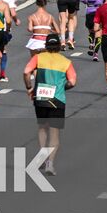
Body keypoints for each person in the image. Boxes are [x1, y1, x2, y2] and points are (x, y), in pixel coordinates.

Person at [22, 33, 76, 175]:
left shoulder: (38, 58)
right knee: (54, 132)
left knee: (42, 128)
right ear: (59, 46)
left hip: (40, 98)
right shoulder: (65, 62)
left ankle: (42, 156)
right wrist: (62, 87)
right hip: (57, 100)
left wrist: (29, 88)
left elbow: (26, 72)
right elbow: (73, 82)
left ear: (46, 45)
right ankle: (50, 164)